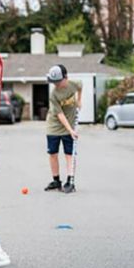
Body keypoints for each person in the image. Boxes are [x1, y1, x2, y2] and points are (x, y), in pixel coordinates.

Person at [43, 64, 82, 194]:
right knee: (53, 153)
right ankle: (56, 181)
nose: (56, 84)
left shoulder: (74, 84)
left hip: (69, 125)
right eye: (54, 82)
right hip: (54, 126)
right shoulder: (53, 94)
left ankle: (70, 181)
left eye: (58, 81)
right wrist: (71, 130)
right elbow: (60, 115)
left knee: (69, 154)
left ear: (66, 77)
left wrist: (79, 101)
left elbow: (81, 86)